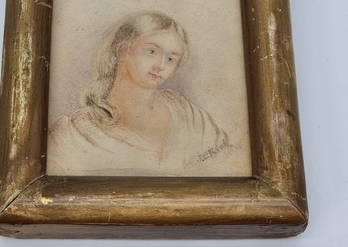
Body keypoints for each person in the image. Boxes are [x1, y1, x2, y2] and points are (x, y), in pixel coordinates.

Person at [47, 10, 231, 176]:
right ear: (123, 51)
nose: (160, 66)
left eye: (170, 59)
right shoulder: (73, 134)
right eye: (151, 51)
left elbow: (226, 167)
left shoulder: (189, 115)